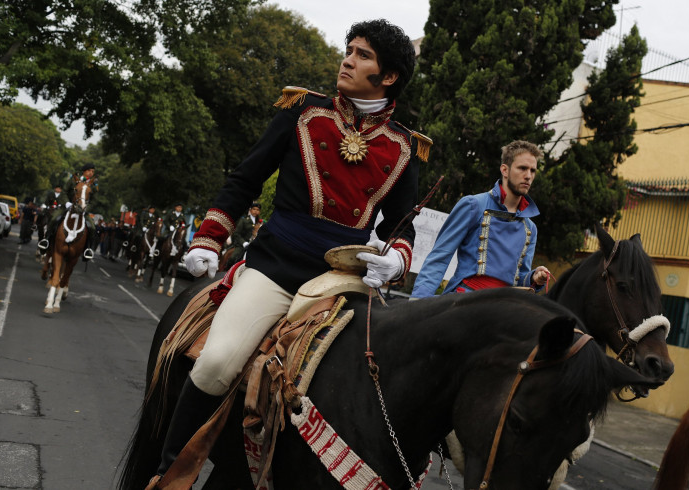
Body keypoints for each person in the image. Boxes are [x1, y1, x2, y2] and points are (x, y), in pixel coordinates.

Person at [148, 19, 430, 486]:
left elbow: (402, 228)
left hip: (346, 282)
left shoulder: (405, 146)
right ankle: (167, 477)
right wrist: (209, 237)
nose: (347, 59)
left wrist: (397, 258)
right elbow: (245, 179)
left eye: (362, 55)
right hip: (276, 268)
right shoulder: (301, 110)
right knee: (217, 362)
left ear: (390, 76)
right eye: (349, 49)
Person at [411, 140, 551, 299]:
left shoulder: (530, 228)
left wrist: (534, 278)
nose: (528, 176)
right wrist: (417, 303)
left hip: (505, 306)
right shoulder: (473, 205)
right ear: (504, 170)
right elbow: (439, 258)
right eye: (522, 168)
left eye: (533, 170)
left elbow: (519, 280)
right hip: (466, 301)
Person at [38, 163, 97, 260]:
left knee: (92, 227)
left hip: (83, 210)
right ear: (84, 171)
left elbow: (94, 200)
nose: (91, 173)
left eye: (93, 171)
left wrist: (87, 208)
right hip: (68, 207)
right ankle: (46, 240)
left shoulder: (93, 184)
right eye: (89, 171)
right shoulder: (74, 179)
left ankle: (88, 249)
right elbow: (64, 191)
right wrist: (67, 203)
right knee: (54, 218)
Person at [224, 202, 262, 268]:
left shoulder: (259, 222)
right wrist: (244, 243)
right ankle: (227, 269)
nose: (256, 211)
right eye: (254, 209)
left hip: (253, 244)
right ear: (250, 210)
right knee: (233, 258)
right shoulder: (244, 220)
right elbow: (236, 233)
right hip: (242, 245)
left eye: (258, 210)